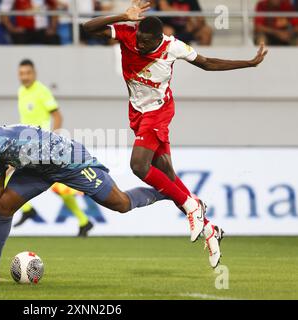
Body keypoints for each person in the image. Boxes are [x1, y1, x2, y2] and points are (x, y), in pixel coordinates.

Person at [82, 0, 268, 267]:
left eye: (147, 43)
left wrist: (248, 64)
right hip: (138, 113)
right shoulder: (128, 34)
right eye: (140, 40)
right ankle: (209, 229)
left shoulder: (173, 46)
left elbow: (208, 63)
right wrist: (124, 15)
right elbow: (87, 27)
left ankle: (193, 207)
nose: (140, 46)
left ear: (160, 38)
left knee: (138, 165)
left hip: (158, 112)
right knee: (167, 178)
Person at [0, 124, 166, 282]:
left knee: (120, 204)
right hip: (37, 170)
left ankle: (165, 191)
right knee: (3, 206)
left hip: (68, 160)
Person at [12, 59, 94, 237]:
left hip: (42, 144)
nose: (24, 77)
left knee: (6, 172)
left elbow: (57, 115)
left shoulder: (41, 91)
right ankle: (84, 221)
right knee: (58, 185)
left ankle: (27, 209)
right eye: (21, 73)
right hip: (27, 144)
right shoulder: (21, 92)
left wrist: (53, 140)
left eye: (28, 73)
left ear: (34, 74)